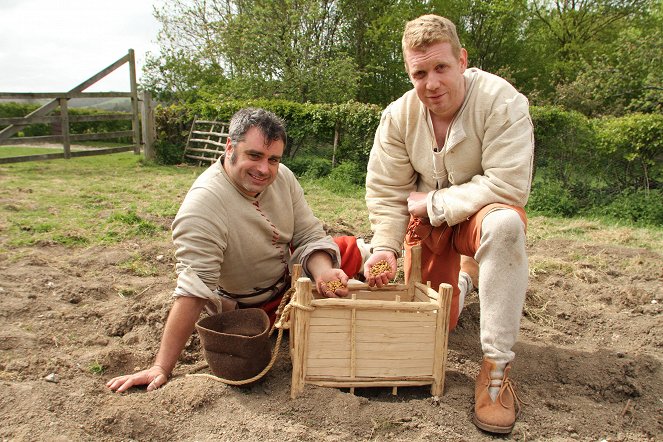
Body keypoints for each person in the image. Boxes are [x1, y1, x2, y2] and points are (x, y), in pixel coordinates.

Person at [107, 108, 366, 393]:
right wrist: (161, 366)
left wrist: (323, 272)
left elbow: (308, 234)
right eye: (254, 156)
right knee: (247, 358)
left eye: (273, 159)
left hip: (292, 279)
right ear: (230, 147)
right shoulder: (202, 207)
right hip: (251, 305)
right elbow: (194, 290)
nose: (264, 169)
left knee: (349, 249)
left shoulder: (284, 178)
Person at [362, 14, 533, 434]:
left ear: (462, 59)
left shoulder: (502, 101)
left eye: (441, 68)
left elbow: (508, 184)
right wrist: (385, 246)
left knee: (506, 227)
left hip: (482, 213)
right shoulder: (398, 117)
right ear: (409, 72)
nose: (431, 83)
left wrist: (435, 202)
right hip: (428, 227)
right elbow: (387, 192)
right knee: (443, 323)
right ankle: (466, 280)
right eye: (419, 73)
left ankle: (495, 367)